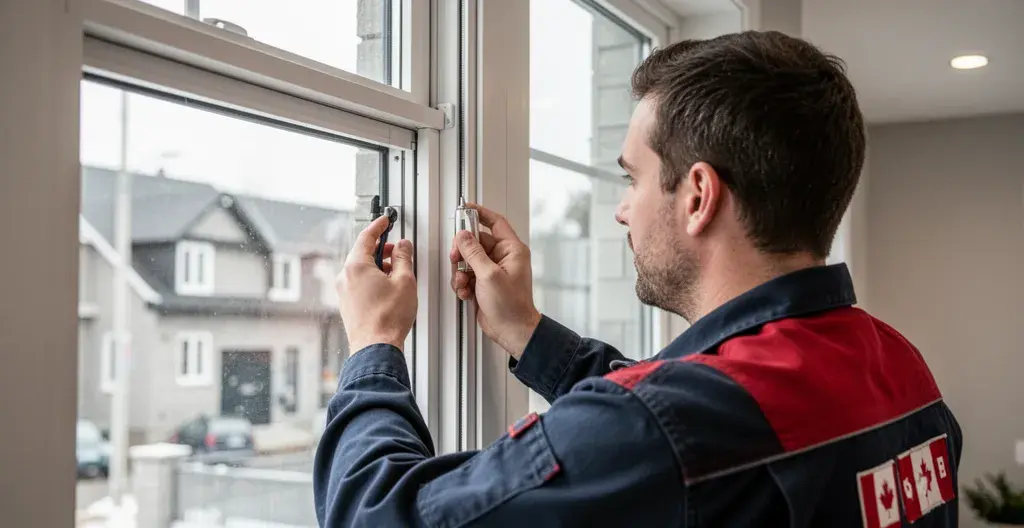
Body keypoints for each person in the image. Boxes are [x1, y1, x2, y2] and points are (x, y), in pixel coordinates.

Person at [314, 30, 962, 527]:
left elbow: (376, 515)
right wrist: (528, 333)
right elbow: (685, 414)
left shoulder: (671, 431)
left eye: (633, 177)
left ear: (698, 196)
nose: (623, 208)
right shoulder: (899, 369)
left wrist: (374, 345)